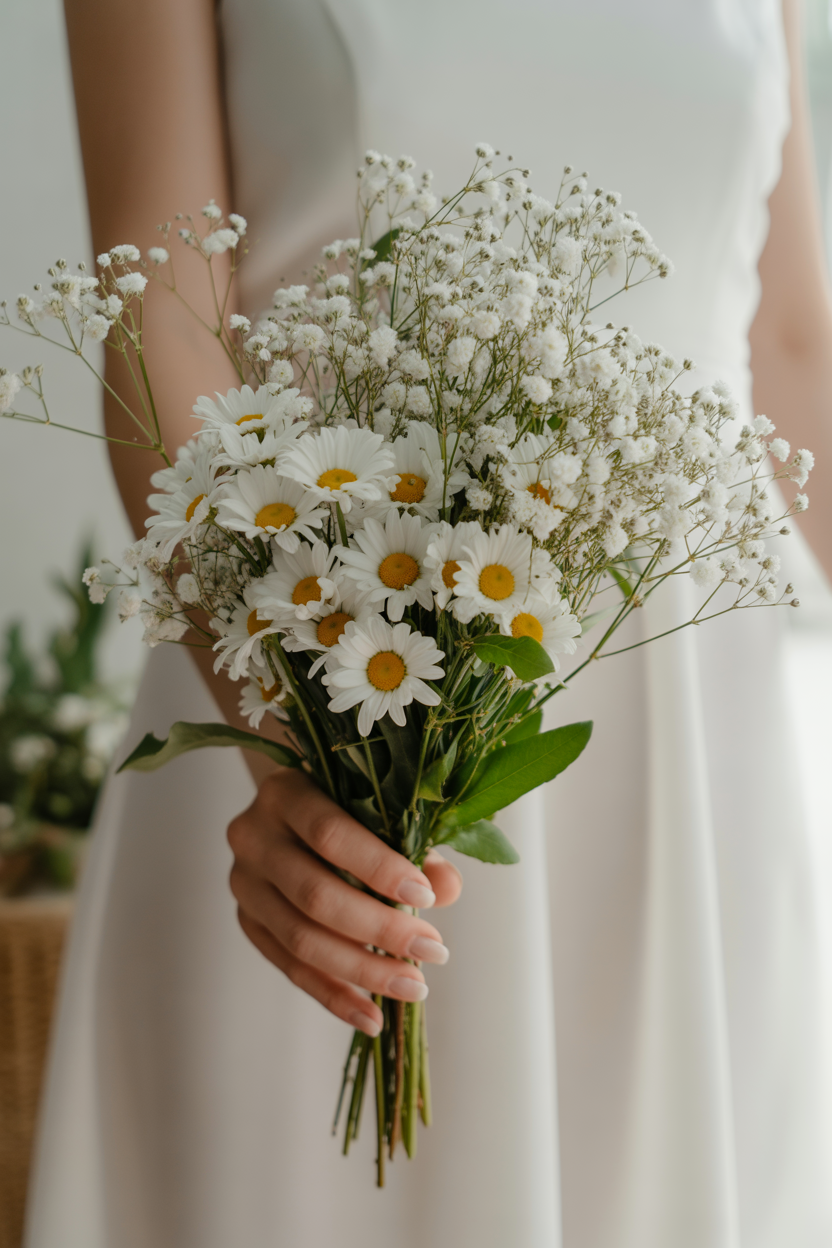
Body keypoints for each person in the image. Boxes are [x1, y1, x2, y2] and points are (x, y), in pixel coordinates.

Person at [25, 1, 832, 1245]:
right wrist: (292, 735)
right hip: (319, 691)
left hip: (701, 754)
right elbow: (161, 318)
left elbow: (785, 343)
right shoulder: (301, 730)